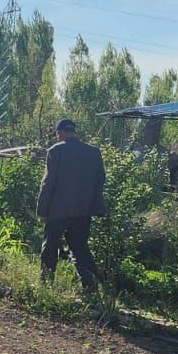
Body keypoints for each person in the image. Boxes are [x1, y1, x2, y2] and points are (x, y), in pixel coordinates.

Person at [37, 118, 105, 290]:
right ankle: (91, 286)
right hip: (84, 211)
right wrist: (94, 206)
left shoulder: (55, 151)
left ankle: (45, 286)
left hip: (58, 210)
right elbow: (100, 181)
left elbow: (48, 183)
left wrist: (42, 210)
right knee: (80, 247)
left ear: (59, 133)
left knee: (50, 247)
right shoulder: (94, 152)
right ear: (74, 132)